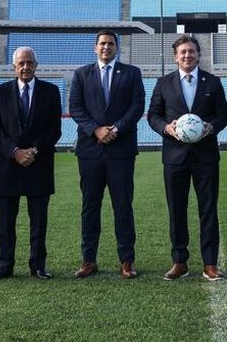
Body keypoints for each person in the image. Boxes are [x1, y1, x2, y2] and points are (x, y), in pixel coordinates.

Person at [148, 34, 227, 281]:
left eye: (191, 51)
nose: (187, 55)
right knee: (177, 210)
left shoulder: (213, 82)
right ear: (175, 57)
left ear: (198, 55)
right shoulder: (164, 83)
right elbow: (153, 115)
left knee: (208, 209)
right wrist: (166, 128)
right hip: (175, 157)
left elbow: (223, 115)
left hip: (205, 157)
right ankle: (179, 261)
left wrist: (211, 127)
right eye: (182, 52)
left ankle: (210, 263)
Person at [69, 30, 145, 279]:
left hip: (121, 150)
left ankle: (126, 261)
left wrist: (116, 129)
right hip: (90, 151)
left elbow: (137, 106)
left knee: (123, 206)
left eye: (111, 43)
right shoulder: (82, 74)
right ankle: (88, 260)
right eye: (102, 43)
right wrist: (96, 130)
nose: (106, 47)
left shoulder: (132, 73)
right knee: (90, 206)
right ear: (95, 47)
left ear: (116, 47)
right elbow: (76, 108)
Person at [0, 46, 62, 281]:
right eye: (21, 63)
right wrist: (15, 152)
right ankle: (5, 265)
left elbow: (55, 130)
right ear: (14, 67)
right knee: (5, 222)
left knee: (39, 222)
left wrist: (33, 151)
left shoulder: (51, 92)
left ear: (36, 65)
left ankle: (38, 265)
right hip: (8, 166)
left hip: (39, 164)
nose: (25, 67)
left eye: (29, 63)